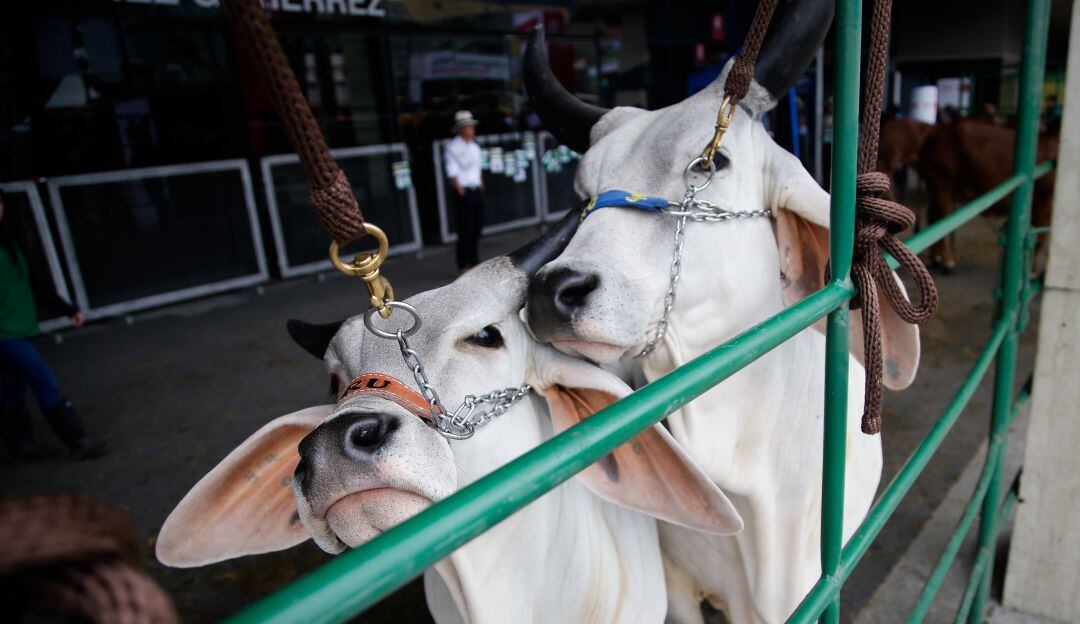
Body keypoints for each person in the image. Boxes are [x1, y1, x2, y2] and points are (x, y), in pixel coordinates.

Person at [0, 192, 107, 460]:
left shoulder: (10, 244)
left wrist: (68, 309)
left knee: (12, 390)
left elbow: (34, 283)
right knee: (44, 379)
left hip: (19, 328)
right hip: (5, 335)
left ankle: (20, 447)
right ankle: (77, 440)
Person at [444, 110, 484, 274]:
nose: (471, 130)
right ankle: (463, 264)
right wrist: (460, 189)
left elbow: (477, 168)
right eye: (467, 127)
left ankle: (474, 260)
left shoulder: (474, 147)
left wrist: (480, 184)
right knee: (464, 229)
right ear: (460, 129)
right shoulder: (453, 147)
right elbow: (452, 171)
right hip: (464, 191)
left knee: (476, 227)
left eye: (471, 127)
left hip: (475, 188)